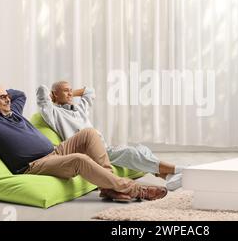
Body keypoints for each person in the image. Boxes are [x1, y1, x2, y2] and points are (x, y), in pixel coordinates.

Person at [0, 85, 167, 202]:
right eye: (1, 97)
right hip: (33, 166)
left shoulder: (14, 111)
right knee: (79, 159)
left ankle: (109, 186)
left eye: (7, 96)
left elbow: (19, 94)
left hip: (55, 151)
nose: (7, 99)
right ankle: (136, 190)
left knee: (89, 133)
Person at [36, 81, 184, 191]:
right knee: (131, 153)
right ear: (54, 94)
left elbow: (90, 91)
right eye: (65, 91)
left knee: (142, 149)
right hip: (90, 152)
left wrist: (69, 94)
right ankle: (181, 170)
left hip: (105, 148)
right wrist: (53, 96)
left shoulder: (79, 109)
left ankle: (169, 178)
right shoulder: (54, 113)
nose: (70, 93)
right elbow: (41, 92)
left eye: (71, 90)